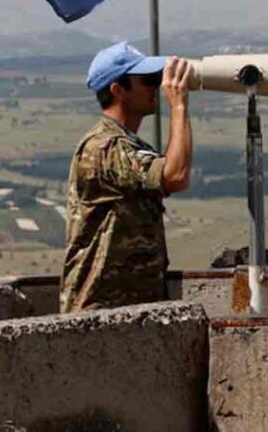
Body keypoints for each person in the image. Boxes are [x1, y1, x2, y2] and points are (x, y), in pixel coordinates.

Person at [59, 42, 193, 312]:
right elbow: (176, 176)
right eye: (147, 81)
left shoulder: (126, 145)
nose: (155, 87)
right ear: (117, 90)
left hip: (129, 309)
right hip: (99, 314)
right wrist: (178, 106)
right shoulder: (103, 147)